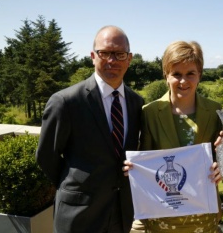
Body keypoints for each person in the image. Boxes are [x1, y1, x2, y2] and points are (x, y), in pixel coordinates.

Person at [36, 26, 144, 233]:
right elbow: (45, 155)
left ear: (129, 59)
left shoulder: (136, 102)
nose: (112, 60)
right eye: (105, 53)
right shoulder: (66, 102)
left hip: (121, 213)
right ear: (93, 56)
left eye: (119, 54)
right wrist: (76, 183)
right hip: (79, 214)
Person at [124, 40, 223, 232]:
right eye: (176, 74)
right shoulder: (149, 112)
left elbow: (220, 156)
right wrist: (135, 168)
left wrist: (222, 168)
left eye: (190, 74)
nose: (183, 81)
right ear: (166, 76)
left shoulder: (215, 111)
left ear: (200, 75)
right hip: (163, 215)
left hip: (204, 215)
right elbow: (145, 157)